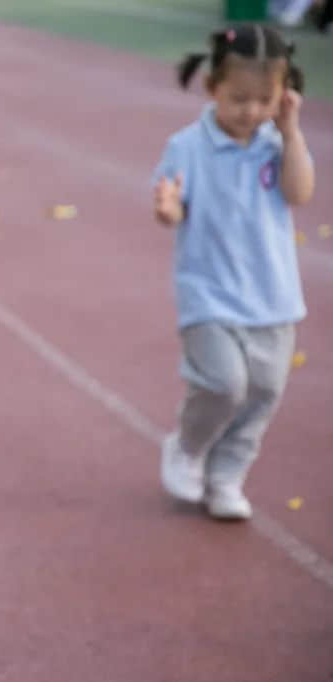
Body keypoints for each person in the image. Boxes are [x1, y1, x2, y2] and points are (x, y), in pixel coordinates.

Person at [153, 25, 314, 520]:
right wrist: (169, 208)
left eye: (264, 100)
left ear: (283, 96)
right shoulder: (187, 146)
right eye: (239, 98)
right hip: (210, 294)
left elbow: (299, 192)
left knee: (263, 392)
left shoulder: (275, 142)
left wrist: (288, 131)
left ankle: (227, 476)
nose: (251, 111)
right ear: (213, 87)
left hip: (273, 297)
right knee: (224, 383)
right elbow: (171, 205)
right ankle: (187, 446)